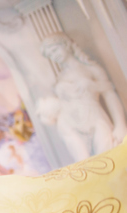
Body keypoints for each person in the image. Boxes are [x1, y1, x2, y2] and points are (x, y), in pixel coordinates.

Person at [39, 32, 127, 161]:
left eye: (54, 50)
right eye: (50, 55)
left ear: (66, 45)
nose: (54, 56)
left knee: (108, 160)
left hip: (95, 118)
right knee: (84, 165)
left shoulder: (91, 68)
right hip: (68, 124)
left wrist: (120, 125)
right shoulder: (59, 78)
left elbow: (110, 95)